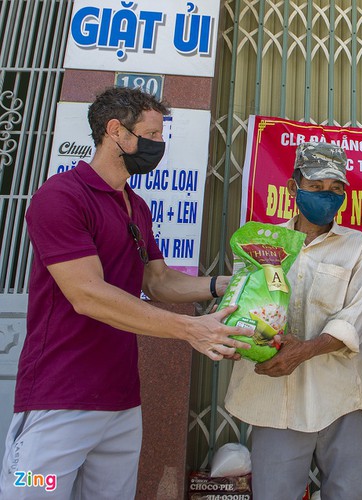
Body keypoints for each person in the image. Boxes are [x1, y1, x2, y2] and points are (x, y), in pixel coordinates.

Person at [0, 87, 253, 500]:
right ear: (115, 131)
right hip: (60, 399)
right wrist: (189, 329)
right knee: (29, 489)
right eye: (152, 134)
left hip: (120, 403)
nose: (159, 145)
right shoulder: (61, 197)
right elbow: (88, 295)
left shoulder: (136, 206)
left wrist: (222, 286)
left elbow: (157, 281)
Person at [224, 142, 362, 499]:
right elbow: (243, 307)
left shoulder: (358, 247)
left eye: (335, 188)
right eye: (316, 187)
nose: (327, 196)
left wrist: (305, 349)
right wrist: (241, 341)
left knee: (349, 494)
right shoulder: (262, 244)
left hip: (338, 399)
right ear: (294, 189)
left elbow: (353, 319)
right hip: (275, 399)